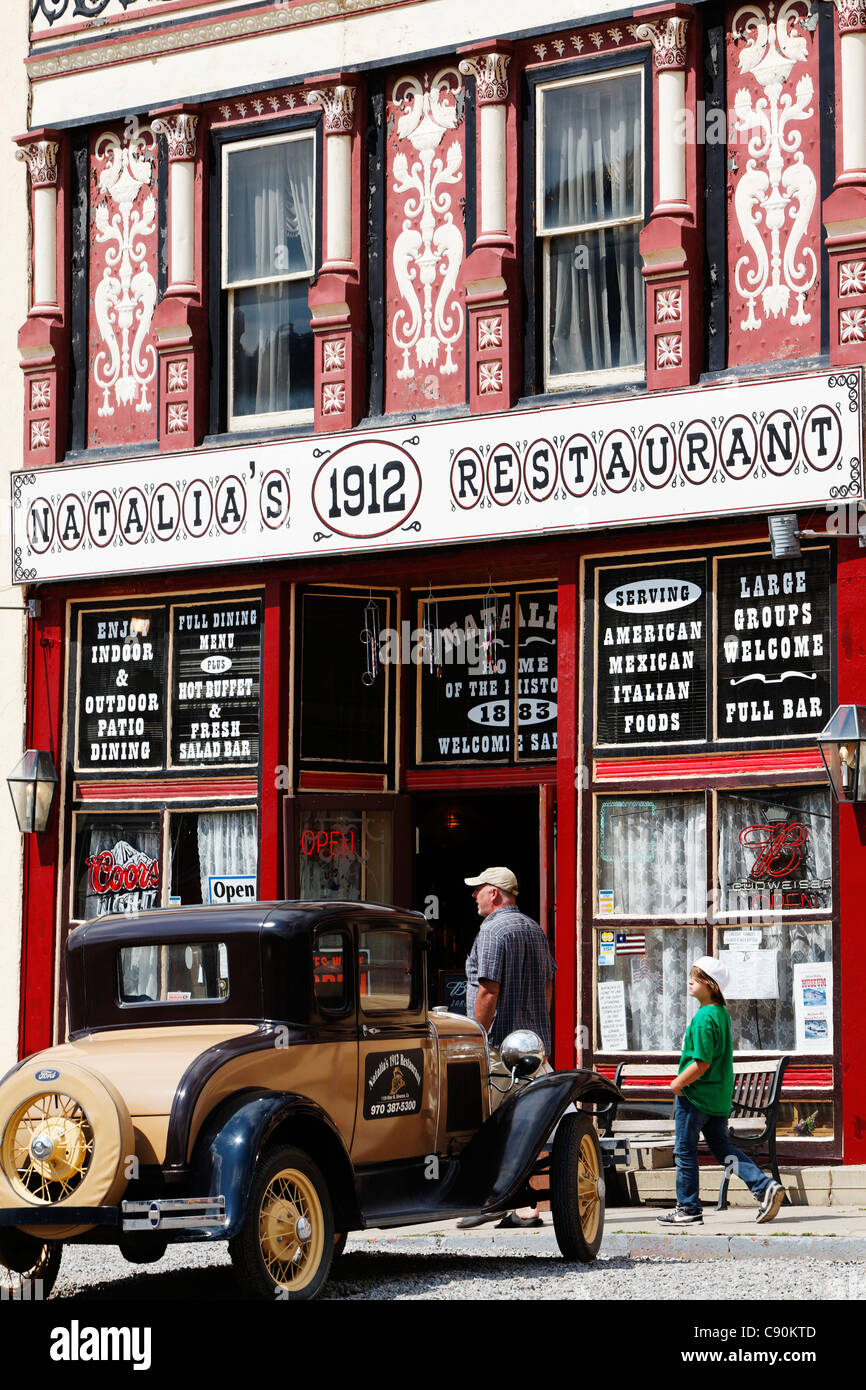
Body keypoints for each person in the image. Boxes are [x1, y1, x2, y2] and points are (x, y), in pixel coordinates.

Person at [457, 866, 556, 1230]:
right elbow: (548, 986)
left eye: (478, 890)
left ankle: (496, 1201)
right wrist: (535, 1033)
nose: (474, 896)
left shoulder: (493, 928)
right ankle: (530, 1206)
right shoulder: (534, 928)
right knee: (534, 1125)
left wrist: (475, 1037)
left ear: (495, 894)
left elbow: (487, 990)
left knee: (495, 1125)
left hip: (500, 1046)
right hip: (532, 1045)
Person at [657, 956, 785, 1226]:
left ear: (711, 985)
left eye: (697, 976)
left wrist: (677, 1083)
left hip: (695, 1096)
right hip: (717, 1098)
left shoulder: (704, 1018)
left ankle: (689, 1208)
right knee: (722, 1148)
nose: (690, 980)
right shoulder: (721, 1014)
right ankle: (763, 1186)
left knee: (685, 1151)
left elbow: (702, 1062)